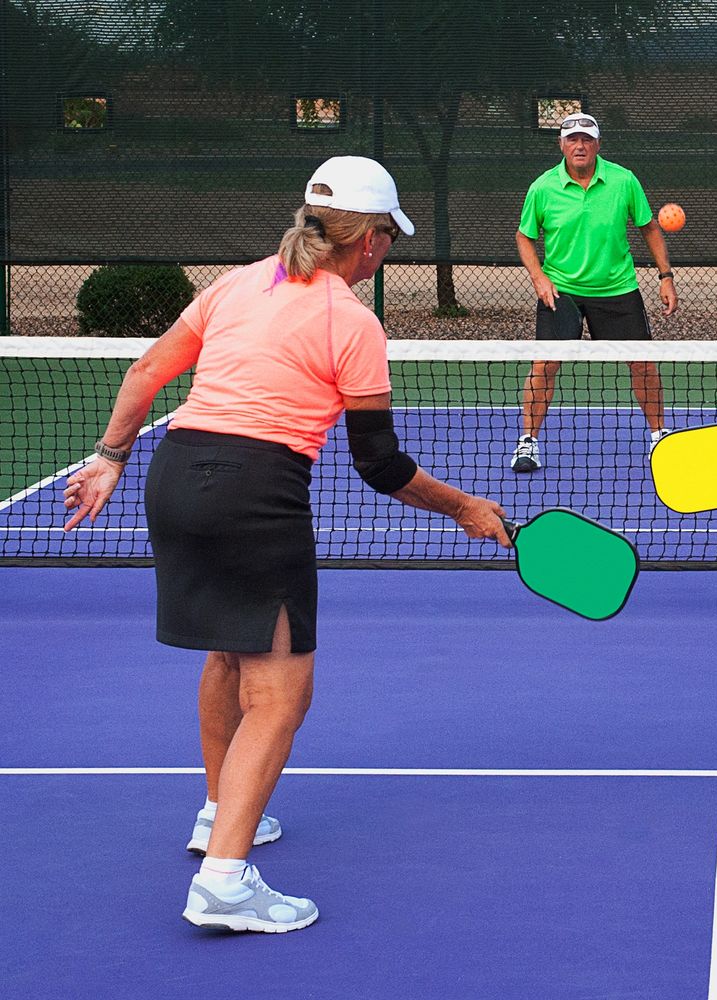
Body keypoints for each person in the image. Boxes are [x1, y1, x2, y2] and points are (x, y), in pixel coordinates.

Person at [62, 156, 509, 930]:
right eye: (388, 238)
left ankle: (216, 816)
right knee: (280, 691)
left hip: (172, 476)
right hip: (253, 496)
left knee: (229, 653)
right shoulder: (352, 322)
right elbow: (381, 464)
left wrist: (107, 457)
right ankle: (225, 884)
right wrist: (464, 506)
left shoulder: (238, 282)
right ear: (367, 240)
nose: (386, 250)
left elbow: (146, 371)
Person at [511, 112, 678, 473]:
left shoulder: (623, 181)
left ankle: (659, 436)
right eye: (572, 139)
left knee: (643, 363)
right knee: (545, 364)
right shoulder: (542, 187)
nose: (580, 145)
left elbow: (649, 227)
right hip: (561, 292)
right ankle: (528, 442)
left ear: (598, 144)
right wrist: (539, 277)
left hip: (617, 289)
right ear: (561, 145)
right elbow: (524, 236)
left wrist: (665, 276)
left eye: (586, 139)